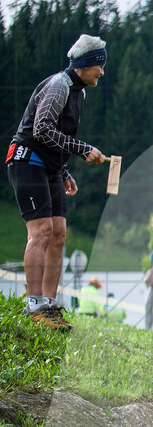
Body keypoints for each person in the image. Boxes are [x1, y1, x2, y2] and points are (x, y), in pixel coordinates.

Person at [7, 34, 108, 331]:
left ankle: (50, 306)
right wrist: (82, 149)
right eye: (99, 66)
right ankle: (35, 305)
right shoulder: (59, 86)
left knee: (59, 234)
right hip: (27, 160)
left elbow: (58, 134)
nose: (102, 72)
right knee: (41, 231)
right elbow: (41, 130)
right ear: (87, 64)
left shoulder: (80, 92)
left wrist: (63, 171)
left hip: (50, 168)